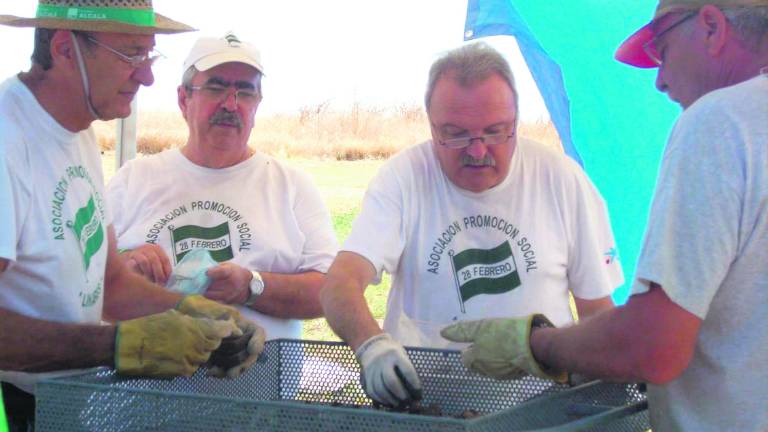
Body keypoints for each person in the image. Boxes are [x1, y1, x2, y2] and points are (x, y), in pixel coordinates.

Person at [441, 1, 768, 430]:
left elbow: (654, 345)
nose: (660, 81)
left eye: (662, 52)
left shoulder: (720, 121)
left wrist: (534, 344)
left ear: (710, 27)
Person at [0, 2, 265, 430]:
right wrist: (117, 344)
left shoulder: (76, 131)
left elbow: (111, 284)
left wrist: (190, 310)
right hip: (30, 403)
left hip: (73, 395)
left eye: (149, 55)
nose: (147, 75)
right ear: (66, 49)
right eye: (131, 55)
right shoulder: (8, 139)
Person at [319, 42, 623, 407]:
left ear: (516, 121)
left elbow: (598, 312)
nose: (477, 151)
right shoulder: (403, 178)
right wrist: (371, 345)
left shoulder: (563, 180)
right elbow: (340, 282)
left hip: (541, 408)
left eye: (495, 132)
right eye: (456, 133)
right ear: (431, 126)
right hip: (425, 404)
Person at [106, 32, 339, 341]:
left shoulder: (292, 186)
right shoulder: (133, 179)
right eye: (215, 88)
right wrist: (126, 264)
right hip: (147, 385)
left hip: (260, 385)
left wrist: (251, 286)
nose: (231, 104)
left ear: (258, 104)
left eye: (245, 93)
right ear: (183, 98)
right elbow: (86, 278)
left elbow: (329, 291)